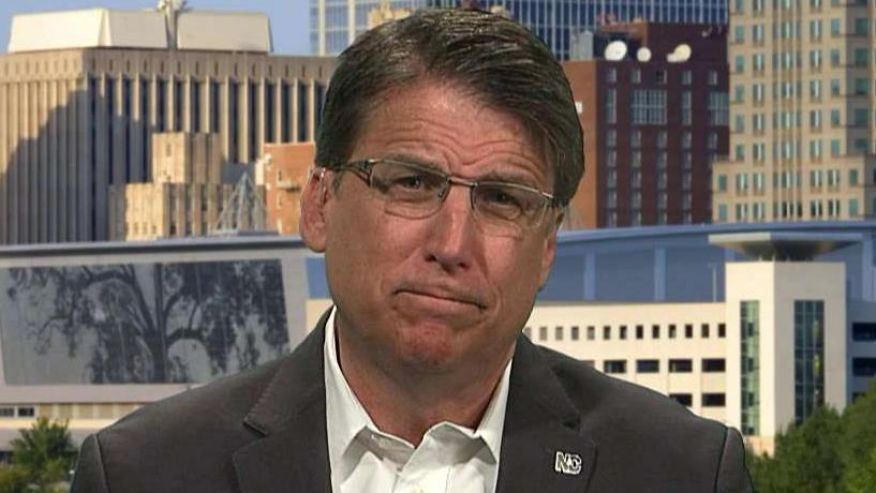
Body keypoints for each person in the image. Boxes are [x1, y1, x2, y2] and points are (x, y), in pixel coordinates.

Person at [71, 8, 752, 492]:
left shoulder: (683, 471)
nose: (452, 243)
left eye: (502, 199)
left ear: (546, 246)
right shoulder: (146, 473)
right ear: (319, 205)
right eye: (412, 183)